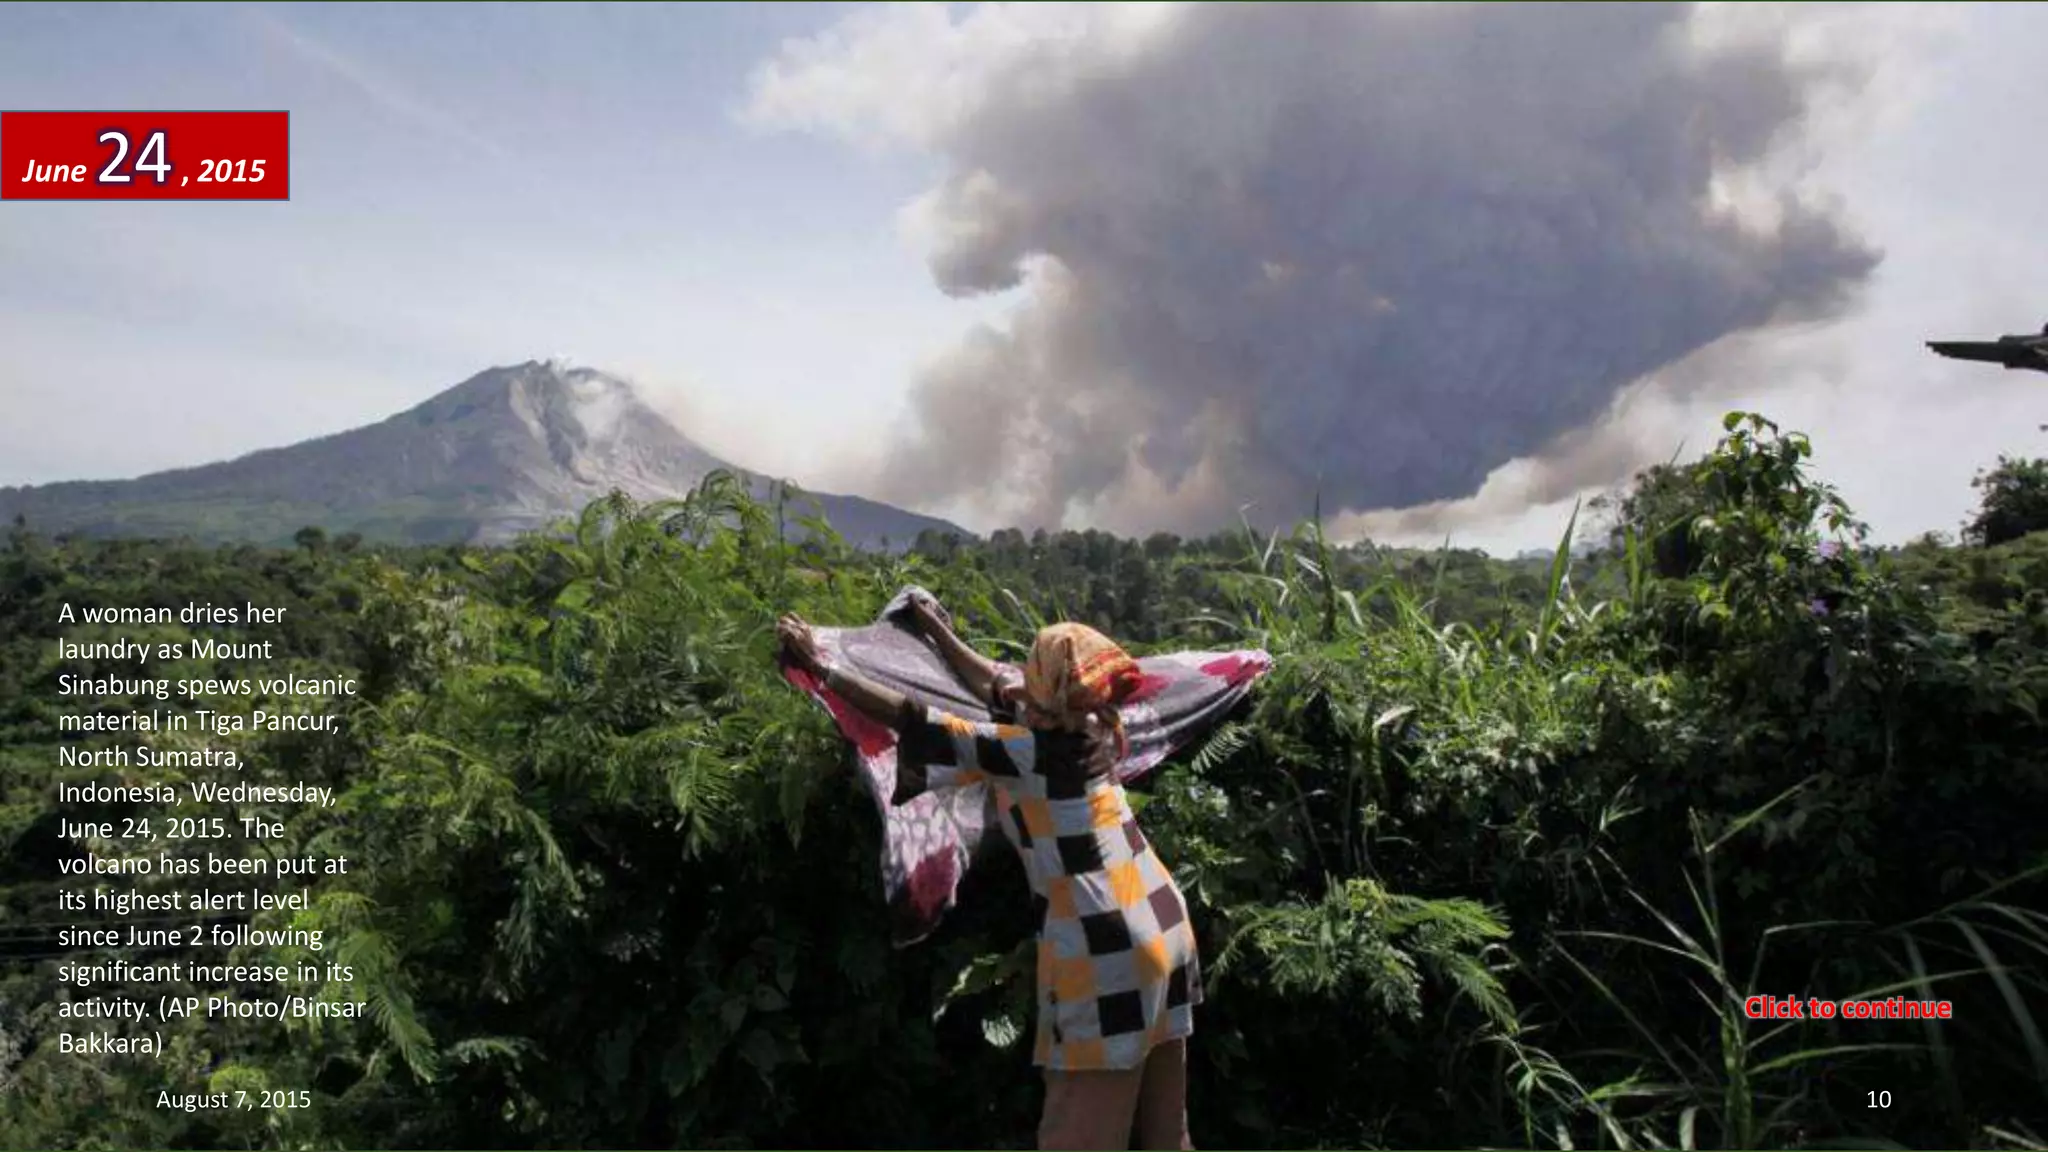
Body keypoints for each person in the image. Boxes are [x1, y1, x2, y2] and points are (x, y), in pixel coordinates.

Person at [777, 604, 1202, 1151]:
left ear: (1047, 683)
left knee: (1077, 1137)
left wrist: (822, 667)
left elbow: (912, 718)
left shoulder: (1025, 752)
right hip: (1166, 924)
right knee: (1168, 1134)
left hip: (1108, 948)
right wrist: (935, 629)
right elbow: (992, 681)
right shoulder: (1092, 720)